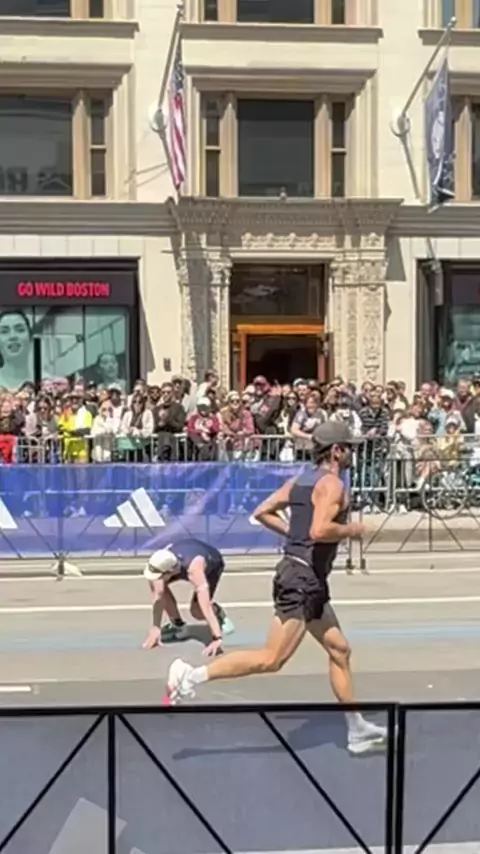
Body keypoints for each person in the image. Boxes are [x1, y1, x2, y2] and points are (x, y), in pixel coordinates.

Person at [163, 422, 387, 755]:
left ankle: (356, 729)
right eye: (349, 447)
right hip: (301, 580)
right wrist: (353, 529)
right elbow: (320, 530)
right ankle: (190, 676)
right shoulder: (332, 484)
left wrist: (293, 535)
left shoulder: (301, 481)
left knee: (339, 650)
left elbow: (262, 512)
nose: (352, 453)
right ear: (336, 451)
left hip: (307, 578)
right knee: (271, 659)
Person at [142, 538, 235, 657]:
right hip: (184, 555)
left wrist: (217, 638)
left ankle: (218, 612)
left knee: (197, 611)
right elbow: (158, 595)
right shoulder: (160, 560)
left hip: (212, 563)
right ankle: (177, 625)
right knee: (158, 587)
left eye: (160, 575)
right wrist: (156, 627)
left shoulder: (195, 569)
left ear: (170, 572)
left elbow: (205, 605)